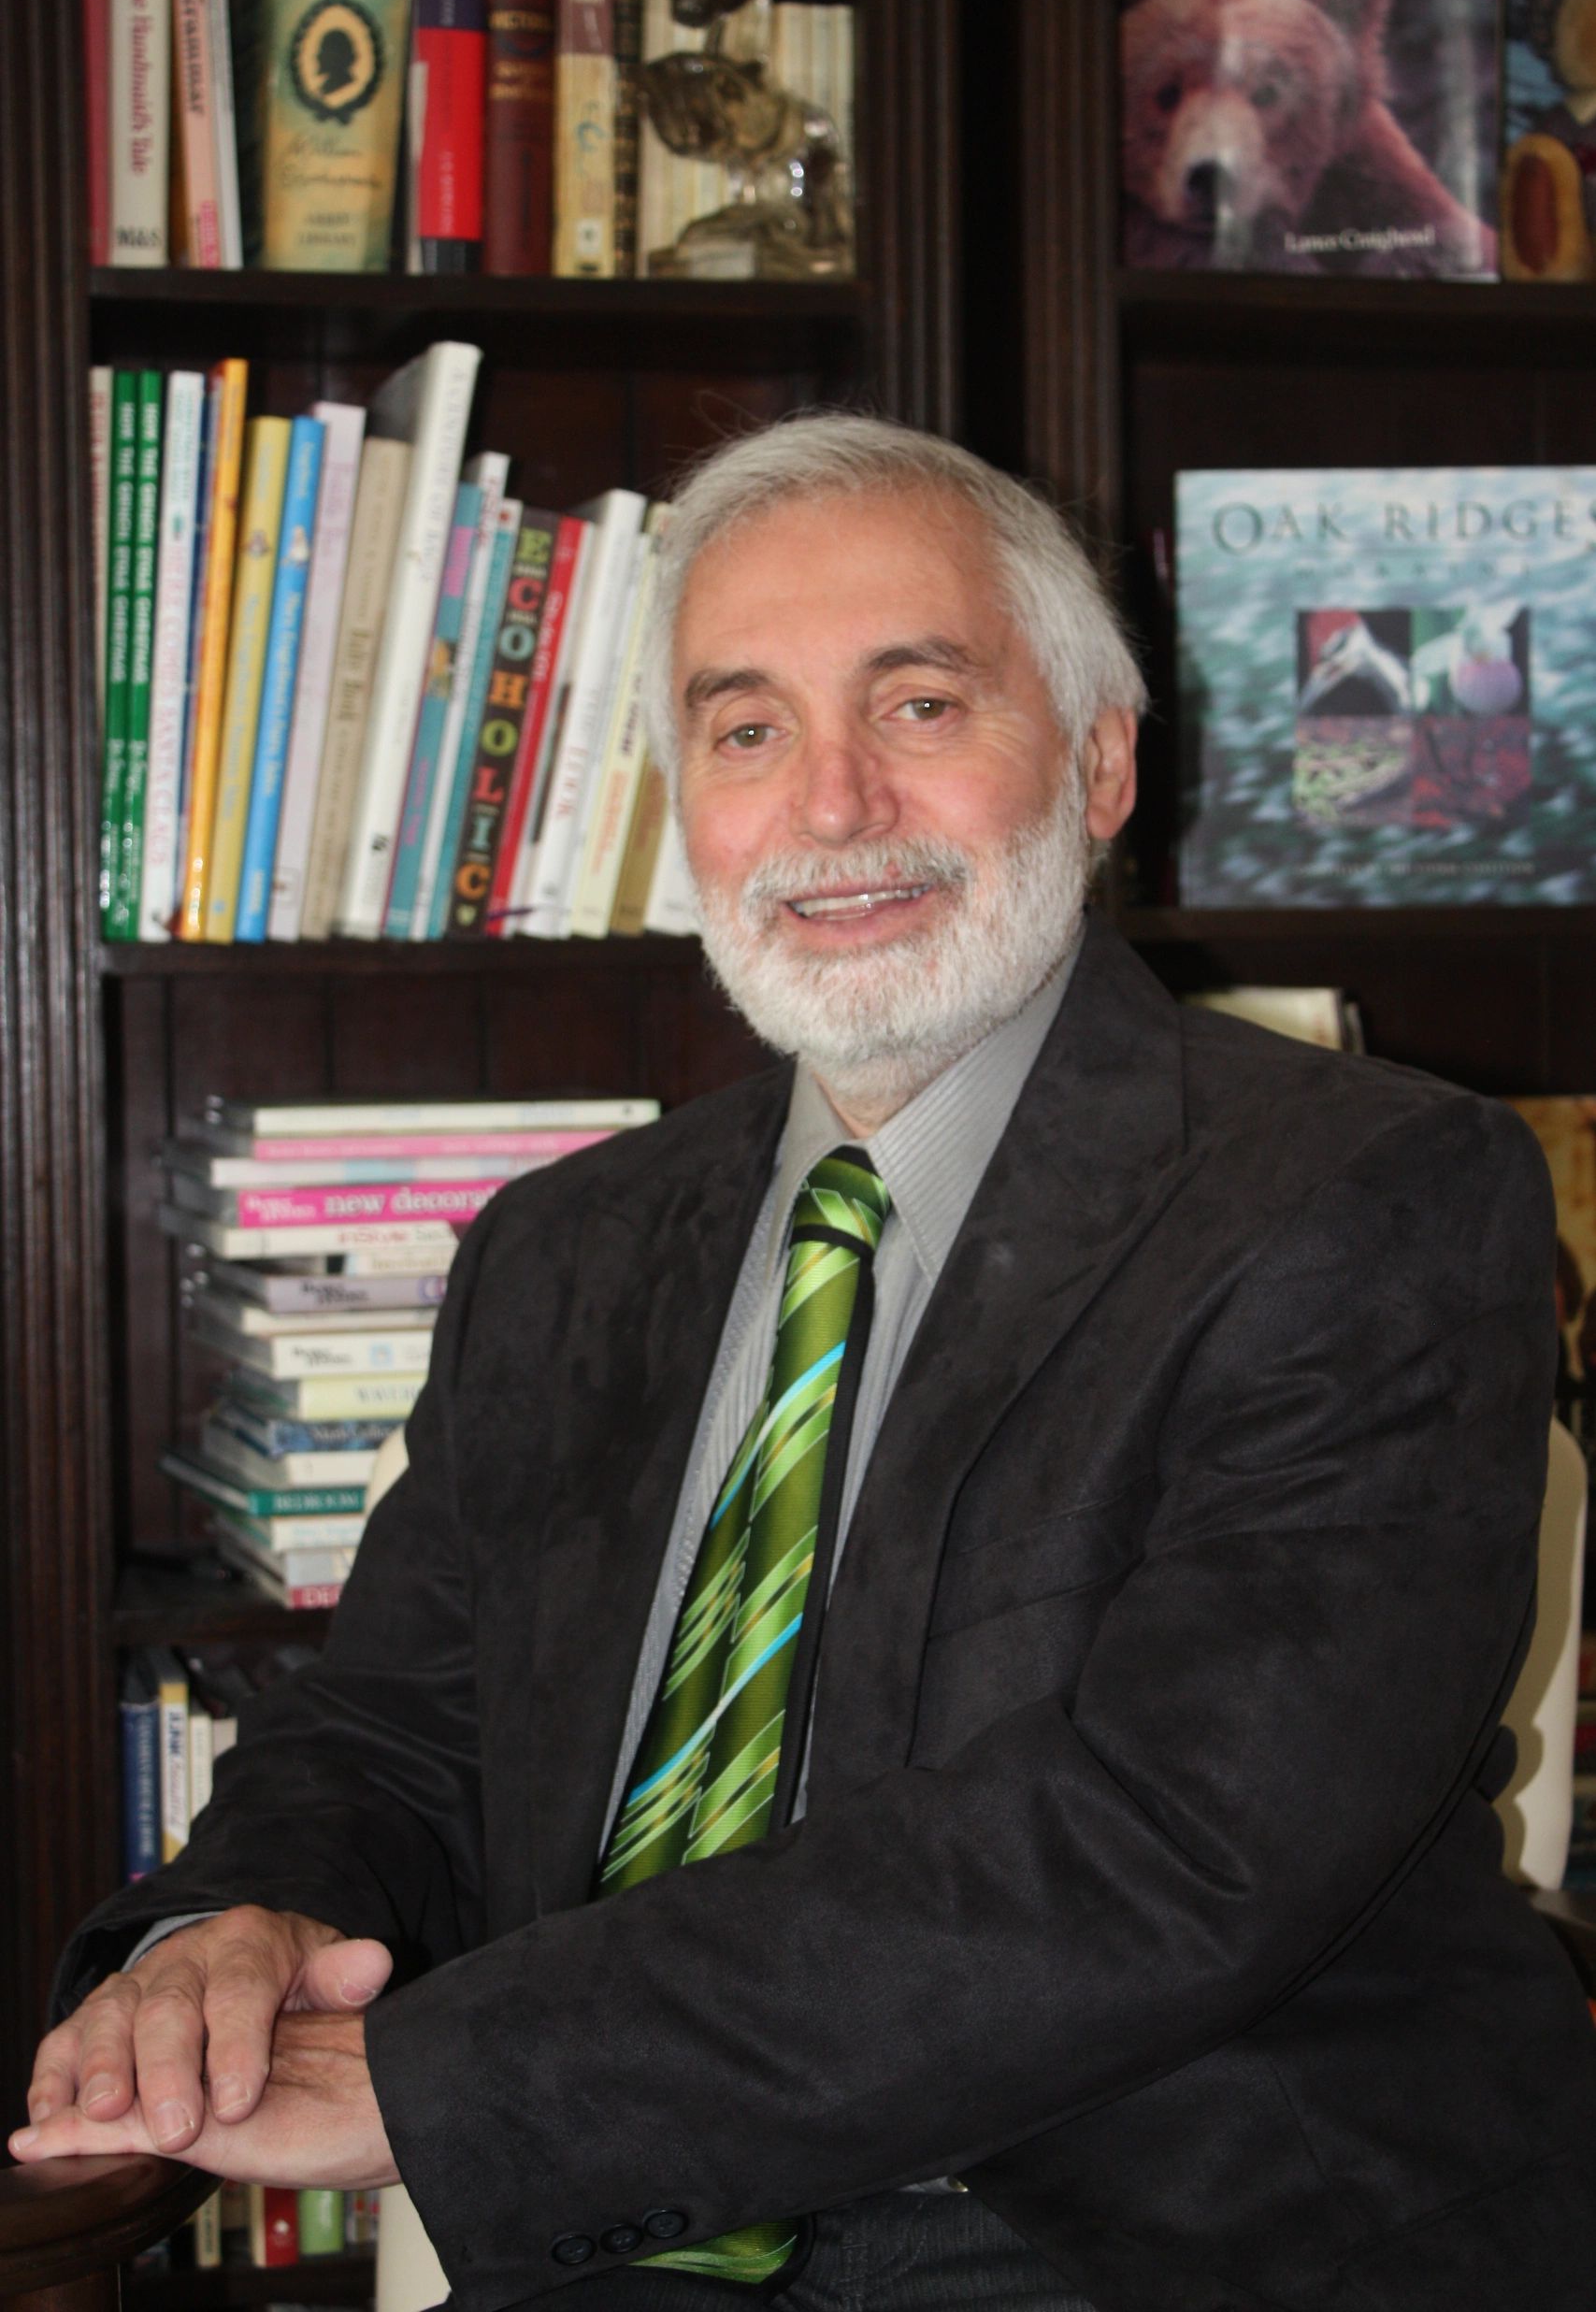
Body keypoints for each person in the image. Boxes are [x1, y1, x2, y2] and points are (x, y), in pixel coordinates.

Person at [13, 416, 1596, 2311]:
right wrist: (232, 1926)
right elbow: (401, 1721)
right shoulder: (563, 1246)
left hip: (1158, 2225)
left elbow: (1168, 1844)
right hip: (623, 2227)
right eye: (745, 728)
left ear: (1096, 763)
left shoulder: (1369, 1194)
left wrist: (457, 2077)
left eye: (918, 704)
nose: (831, 806)